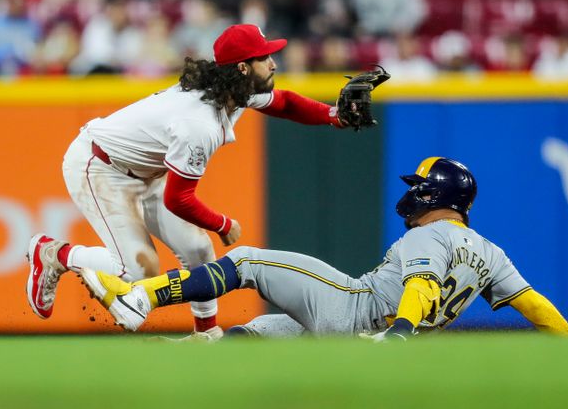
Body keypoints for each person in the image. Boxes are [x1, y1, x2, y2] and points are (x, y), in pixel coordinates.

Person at [26, 23, 382, 340]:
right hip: (101, 165)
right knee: (137, 271)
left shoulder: (233, 90)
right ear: (243, 67)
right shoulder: (200, 123)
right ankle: (54, 253)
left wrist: (333, 115)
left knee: (198, 252)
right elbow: (178, 199)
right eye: (264, 57)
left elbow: (284, 103)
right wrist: (222, 223)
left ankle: (204, 335)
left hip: (148, 169)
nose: (273, 63)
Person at [73, 157, 568, 340]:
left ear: (434, 195)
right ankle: (195, 350)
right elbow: (534, 304)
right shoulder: (490, 251)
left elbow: (421, 285)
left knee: (247, 260)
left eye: (420, 185)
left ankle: (139, 298)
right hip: (374, 331)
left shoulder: (429, 234)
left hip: (360, 312)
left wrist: (399, 332)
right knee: (260, 332)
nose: (412, 192)